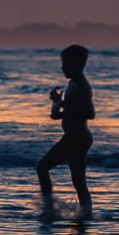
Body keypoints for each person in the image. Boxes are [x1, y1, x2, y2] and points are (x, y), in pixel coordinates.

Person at [36, 43, 95, 219]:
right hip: (77, 136)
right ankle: (86, 214)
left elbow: (90, 113)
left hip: (77, 136)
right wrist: (57, 101)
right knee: (78, 180)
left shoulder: (82, 86)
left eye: (66, 64)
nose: (62, 68)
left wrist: (63, 109)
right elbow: (59, 114)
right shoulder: (73, 84)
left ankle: (48, 209)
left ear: (77, 64)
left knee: (42, 167)